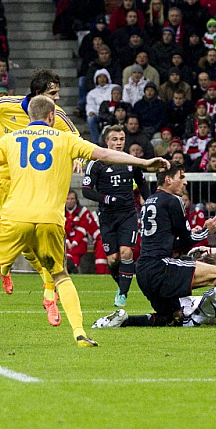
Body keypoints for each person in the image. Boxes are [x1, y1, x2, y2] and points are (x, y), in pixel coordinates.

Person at [0, 96, 168, 348]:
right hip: (51, 219)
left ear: (29, 116)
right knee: (60, 275)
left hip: (15, 216)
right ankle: (79, 332)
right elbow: (104, 153)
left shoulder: (9, 140)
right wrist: (144, 162)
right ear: (51, 117)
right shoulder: (65, 139)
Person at [0, 69, 80, 325]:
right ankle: (5, 267)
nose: (58, 98)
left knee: (39, 237)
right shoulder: (7, 105)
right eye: (53, 93)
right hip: (7, 181)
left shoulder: (57, 116)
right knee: (25, 239)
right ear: (39, 93)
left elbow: (76, 138)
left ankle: (49, 294)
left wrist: (80, 158)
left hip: (41, 184)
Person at [136, 163, 216, 328]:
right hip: (160, 268)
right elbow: (186, 240)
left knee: (174, 318)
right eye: (181, 177)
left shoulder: (151, 200)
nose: (185, 182)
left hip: (144, 272)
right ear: (168, 179)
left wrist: (195, 235)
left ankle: (124, 320)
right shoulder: (173, 200)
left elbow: (170, 242)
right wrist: (206, 231)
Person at [93, 246, 216, 328]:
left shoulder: (212, 297)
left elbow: (188, 322)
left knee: (177, 316)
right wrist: (215, 250)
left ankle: (127, 321)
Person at [82, 126, 151, 308]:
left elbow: (142, 182)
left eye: (121, 139)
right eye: (115, 139)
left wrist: (149, 201)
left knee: (126, 252)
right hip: (107, 216)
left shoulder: (130, 161)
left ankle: (122, 294)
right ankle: (122, 284)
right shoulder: (96, 163)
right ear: (107, 142)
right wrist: (106, 198)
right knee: (112, 259)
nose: (119, 143)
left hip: (128, 213)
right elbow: (86, 191)